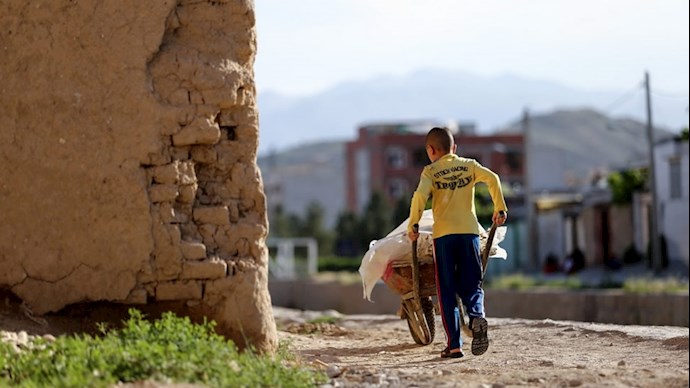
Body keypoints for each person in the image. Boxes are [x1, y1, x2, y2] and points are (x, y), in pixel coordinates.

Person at [407, 127, 507, 359]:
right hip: (469, 233)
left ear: (430, 150)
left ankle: (454, 345)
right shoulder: (469, 165)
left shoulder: (430, 171)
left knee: (447, 292)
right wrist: (499, 208)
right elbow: (493, 178)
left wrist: (414, 224)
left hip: (443, 237)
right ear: (454, 148)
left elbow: (419, 197)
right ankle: (476, 316)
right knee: (473, 284)